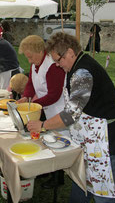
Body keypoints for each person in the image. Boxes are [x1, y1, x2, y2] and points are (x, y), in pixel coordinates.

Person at [27, 32, 115, 203]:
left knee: (106, 196)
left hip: (108, 143)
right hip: (92, 141)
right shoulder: (76, 66)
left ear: (70, 52)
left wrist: (42, 125)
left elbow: (70, 115)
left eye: (58, 60)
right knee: (81, 185)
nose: (58, 65)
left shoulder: (83, 72)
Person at [18, 35, 69, 189]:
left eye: (30, 57)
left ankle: (58, 176)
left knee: (58, 142)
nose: (29, 61)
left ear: (40, 51)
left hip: (58, 108)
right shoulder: (36, 64)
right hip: (45, 106)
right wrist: (26, 96)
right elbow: (31, 83)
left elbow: (54, 94)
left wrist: (33, 104)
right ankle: (46, 169)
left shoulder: (52, 65)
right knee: (45, 139)